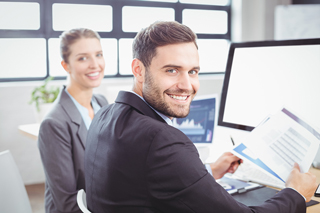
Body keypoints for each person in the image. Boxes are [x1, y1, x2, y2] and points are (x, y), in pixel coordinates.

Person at [85, 21, 317, 213]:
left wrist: (207, 173)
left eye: (193, 71)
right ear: (139, 70)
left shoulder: (105, 115)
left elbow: (144, 180)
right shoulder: (161, 140)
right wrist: (295, 193)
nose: (187, 86)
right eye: (172, 70)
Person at [38, 28, 108, 213]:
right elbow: (67, 203)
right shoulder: (54, 124)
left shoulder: (102, 103)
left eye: (98, 55)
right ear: (66, 66)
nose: (95, 64)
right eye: (83, 58)